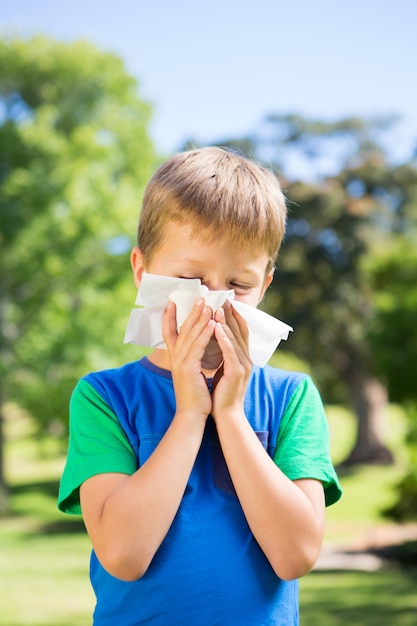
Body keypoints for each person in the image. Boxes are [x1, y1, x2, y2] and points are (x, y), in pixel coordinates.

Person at [58, 147, 342, 625]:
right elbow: (124, 555)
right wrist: (190, 413)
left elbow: (296, 555)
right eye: (190, 278)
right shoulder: (104, 399)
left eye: (239, 285)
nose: (213, 304)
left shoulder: (291, 398)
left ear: (266, 283)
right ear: (141, 271)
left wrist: (229, 415)